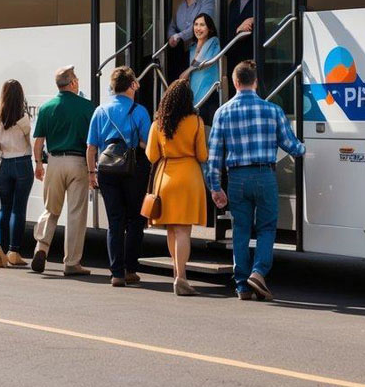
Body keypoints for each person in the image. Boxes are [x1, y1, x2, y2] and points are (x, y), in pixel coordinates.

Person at [205, 60, 306, 301]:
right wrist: (308, 148)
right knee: (266, 227)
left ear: (235, 82)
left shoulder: (223, 112)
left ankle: (242, 285)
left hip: (237, 177)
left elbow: (214, 154)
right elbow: (293, 147)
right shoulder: (273, 111)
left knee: (240, 229)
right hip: (264, 175)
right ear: (256, 82)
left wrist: (215, 187)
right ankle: (259, 272)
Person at [86, 66, 152, 287]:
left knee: (115, 221)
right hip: (133, 170)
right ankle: (131, 269)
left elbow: (91, 147)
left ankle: (116, 273)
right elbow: (146, 144)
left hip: (106, 170)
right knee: (135, 219)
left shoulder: (100, 111)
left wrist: (91, 173)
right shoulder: (140, 111)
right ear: (132, 84)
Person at [145, 79, 208, 296]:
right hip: (189, 177)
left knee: (171, 230)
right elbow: (202, 155)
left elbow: (152, 156)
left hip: (166, 177)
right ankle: (181, 277)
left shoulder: (158, 124)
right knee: (184, 231)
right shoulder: (196, 122)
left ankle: (176, 273)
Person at [31, 66, 94, 277]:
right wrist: (93, 169)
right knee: (75, 213)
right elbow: (91, 143)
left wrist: (39, 163)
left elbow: (38, 142)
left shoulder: (47, 108)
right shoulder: (87, 107)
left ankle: (41, 248)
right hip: (78, 162)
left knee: (51, 209)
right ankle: (72, 262)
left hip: (54, 162)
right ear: (73, 83)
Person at [0, 79, 33, 269]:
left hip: (3, 166)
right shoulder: (24, 118)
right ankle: (13, 252)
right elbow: (31, 142)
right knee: (18, 210)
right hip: (22, 164)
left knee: (4, 208)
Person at [167, 0, 215, 82]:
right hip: (183, 54)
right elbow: (172, 26)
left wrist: (179, 36)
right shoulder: (180, 5)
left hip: (203, 53)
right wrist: (171, 37)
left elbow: (200, 26)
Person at [180, 12, 221, 124]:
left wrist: (189, 70)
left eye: (202, 25)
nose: (198, 28)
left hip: (209, 94)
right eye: (196, 24)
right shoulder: (192, 48)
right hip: (194, 96)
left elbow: (204, 60)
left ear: (210, 29)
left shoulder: (214, 42)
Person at [225, 0, 254, 85]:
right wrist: (238, 29)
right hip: (234, 58)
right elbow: (230, 28)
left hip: (252, 58)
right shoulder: (234, 0)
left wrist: (254, 19)